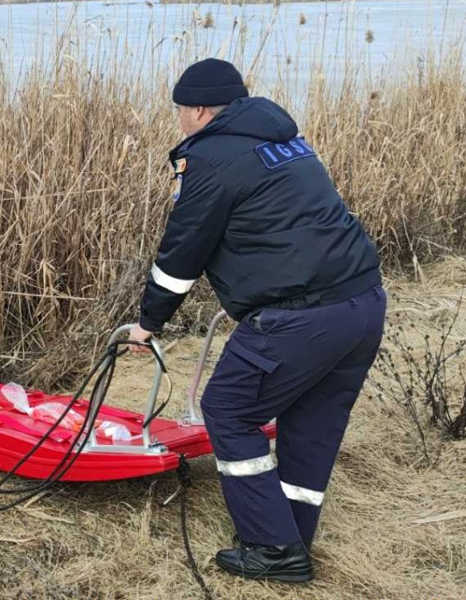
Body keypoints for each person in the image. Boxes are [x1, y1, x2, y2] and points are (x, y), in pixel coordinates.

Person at [128, 59, 386, 583]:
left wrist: (148, 322)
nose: (180, 120)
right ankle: (292, 533)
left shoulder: (210, 158)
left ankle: (272, 548)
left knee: (228, 409)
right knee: (312, 421)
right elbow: (288, 227)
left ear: (200, 110)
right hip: (362, 303)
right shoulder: (286, 141)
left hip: (300, 318)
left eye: (180, 110)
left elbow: (182, 253)